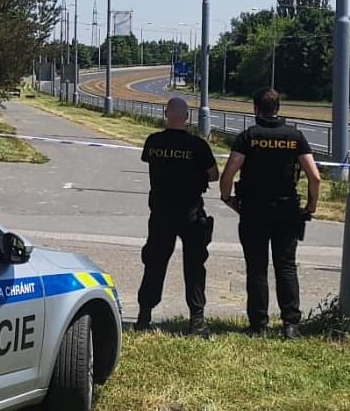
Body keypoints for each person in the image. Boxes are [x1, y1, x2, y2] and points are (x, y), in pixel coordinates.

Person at [219, 88, 322, 339]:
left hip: (253, 210)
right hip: (286, 210)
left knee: (257, 267)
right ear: (278, 109)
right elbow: (315, 177)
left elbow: (229, 172)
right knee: (286, 266)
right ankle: (290, 324)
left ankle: (258, 325)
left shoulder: (248, 137)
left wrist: (227, 198)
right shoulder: (295, 136)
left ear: (256, 108)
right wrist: (310, 207)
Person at [136, 97, 219, 335]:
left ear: (165, 114)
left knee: (154, 264)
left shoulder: (153, 142)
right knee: (194, 267)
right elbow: (213, 175)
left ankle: (144, 316)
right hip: (190, 214)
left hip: (161, 213)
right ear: (187, 117)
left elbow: (149, 160)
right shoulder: (198, 146)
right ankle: (197, 320)